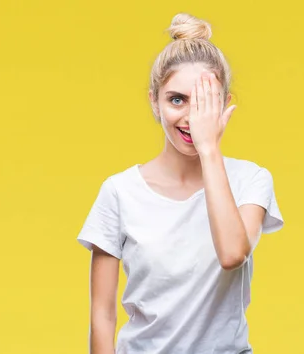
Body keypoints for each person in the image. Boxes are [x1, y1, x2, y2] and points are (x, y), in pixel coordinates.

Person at [76, 13, 285, 354]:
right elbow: (102, 316)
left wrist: (209, 149)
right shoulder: (119, 192)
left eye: (205, 101)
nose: (190, 116)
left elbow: (233, 254)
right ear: (154, 102)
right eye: (177, 100)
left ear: (225, 104)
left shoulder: (251, 180)